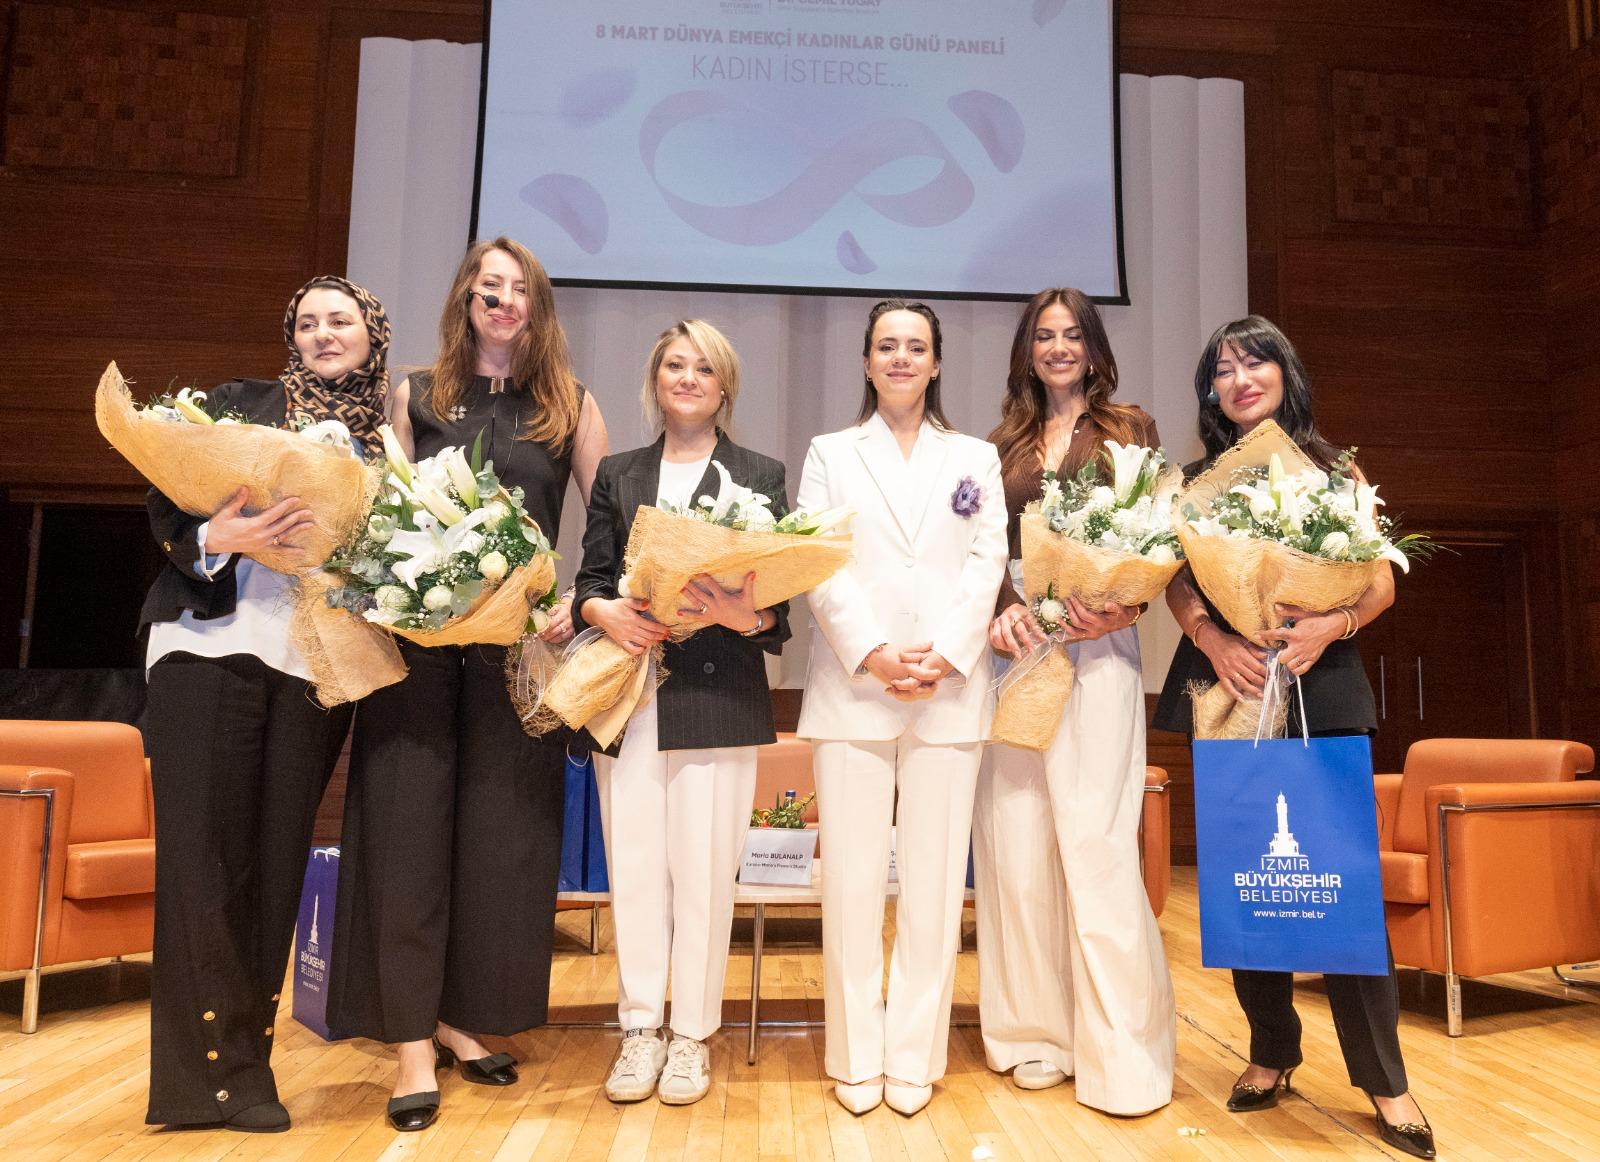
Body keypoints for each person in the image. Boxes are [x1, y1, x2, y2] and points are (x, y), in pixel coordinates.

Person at [326, 237, 608, 1133]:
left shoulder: (572, 405)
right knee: (407, 834)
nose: (503, 300)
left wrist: (578, 601)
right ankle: (410, 1043)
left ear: (539, 306)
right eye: (489, 286)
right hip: (415, 649)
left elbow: (607, 527)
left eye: (520, 289)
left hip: (514, 656)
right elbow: (385, 511)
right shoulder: (415, 391)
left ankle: (462, 1017)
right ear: (466, 297)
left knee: (502, 844)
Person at [1153, 315, 1436, 1159]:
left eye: (1255, 362)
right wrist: (1215, 639)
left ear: (1284, 372)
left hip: (1326, 689)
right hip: (1232, 690)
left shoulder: (1335, 471)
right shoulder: (1194, 481)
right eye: (1223, 370)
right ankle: (1271, 1052)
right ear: (1211, 391)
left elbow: (1380, 579)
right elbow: (1173, 584)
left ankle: (1385, 1080)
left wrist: (1332, 624)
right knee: (1251, 885)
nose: (1240, 379)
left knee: (1341, 891)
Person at [142, 276, 391, 1132]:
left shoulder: (387, 450)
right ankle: (204, 1081)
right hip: (208, 651)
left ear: (372, 337)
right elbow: (164, 500)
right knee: (203, 866)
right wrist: (220, 537)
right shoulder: (237, 404)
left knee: (274, 863)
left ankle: (248, 1064)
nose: (326, 335)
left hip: (311, 673)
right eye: (309, 323)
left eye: (342, 322)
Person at [795, 299, 1007, 1117]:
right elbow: (818, 558)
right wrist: (877, 654)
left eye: (916, 346)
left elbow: (988, 559)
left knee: (930, 887)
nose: (901, 358)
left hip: (951, 690)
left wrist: (947, 655)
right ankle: (855, 1058)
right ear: (865, 361)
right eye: (887, 345)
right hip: (855, 685)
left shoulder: (975, 457)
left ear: (938, 362)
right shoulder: (829, 452)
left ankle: (913, 1057)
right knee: (849, 881)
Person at [571, 320, 791, 1107]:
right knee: (634, 869)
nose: (688, 378)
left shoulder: (760, 474)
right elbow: (588, 581)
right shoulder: (620, 474)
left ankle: (692, 1035)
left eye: (704, 367)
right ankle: (639, 1028)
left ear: (724, 386)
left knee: (704, 874)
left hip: (718, 696)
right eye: (674, 365)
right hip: (629, 697)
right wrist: (604, 614)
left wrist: (747, 617)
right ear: (655, 380)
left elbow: (779, 610)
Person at [973, 288, 1176, 1115]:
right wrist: (1002, 611)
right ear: (1027, 351)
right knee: (1017, 850)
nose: (1058, 347)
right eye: (1043, 336)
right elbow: (980, 551)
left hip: (1101, 655)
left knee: (1095, 847)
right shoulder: (997, 447)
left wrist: (1125, 605)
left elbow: (1161, 540)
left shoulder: (1132, 429)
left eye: (1072, 335)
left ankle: (1121, 1049)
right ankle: (1034, 1035)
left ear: (1093, 348)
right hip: (1019, 657)